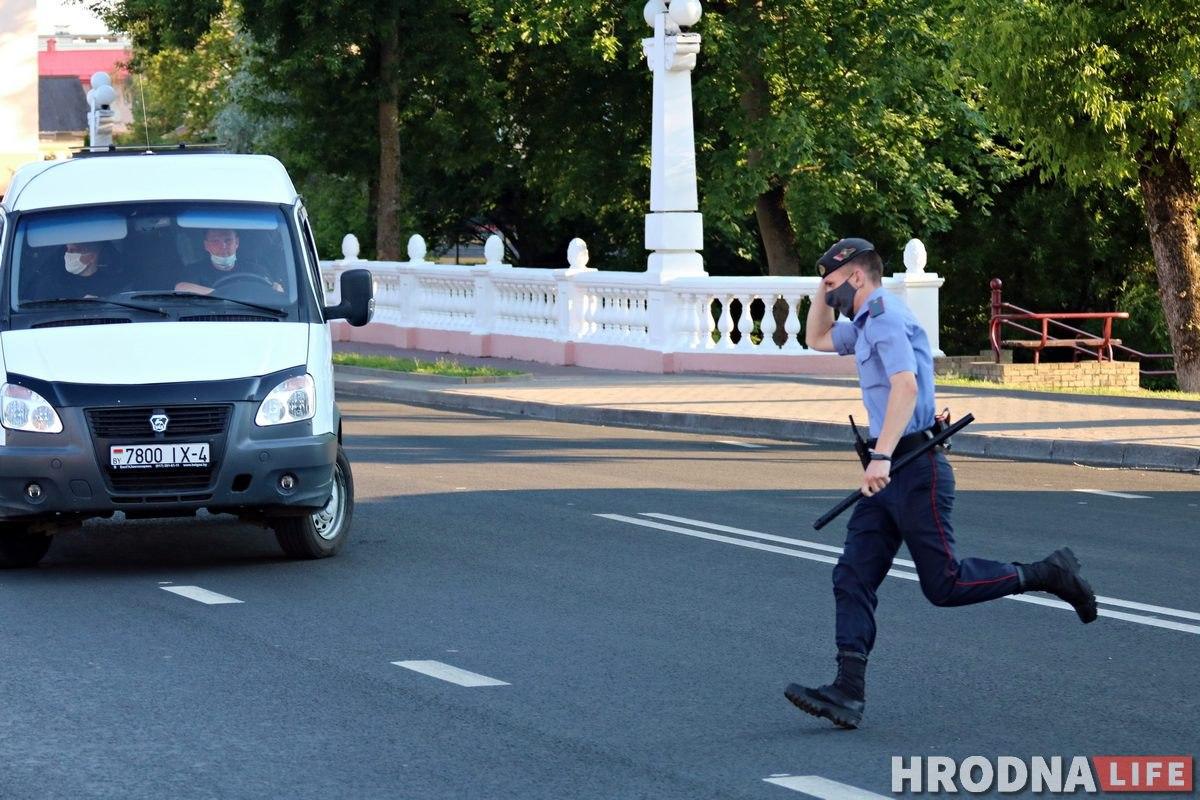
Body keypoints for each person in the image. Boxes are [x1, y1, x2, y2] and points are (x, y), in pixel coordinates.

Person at [784, 237, 1098, 730]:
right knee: (852, 576)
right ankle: (847, 691)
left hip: (914, 468)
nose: (829, 291)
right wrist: (821, 287)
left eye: (834, 282)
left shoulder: (884, 317)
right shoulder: (864, 323)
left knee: (944, 585)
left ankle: (1048, 573)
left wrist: (882, 456)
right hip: (888, 472)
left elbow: (905, 386)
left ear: (858, 277)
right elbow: (817, 339)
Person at [175, 228, 282, 295]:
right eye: (215, 241)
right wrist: (224, 295)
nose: (223, 246)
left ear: (237, 243)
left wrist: (277, 289)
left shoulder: (256, 270)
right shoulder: (194, 271)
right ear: (206, 245)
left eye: (228, 240)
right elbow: (180, 288)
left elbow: (275, 291)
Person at [27, 241, 129, 301]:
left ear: (92, 256)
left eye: (73, 250)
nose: (67, 254)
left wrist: (100, 303)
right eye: (67, 249)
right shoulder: (51, 283)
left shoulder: (114, 284)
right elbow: (40, 310)